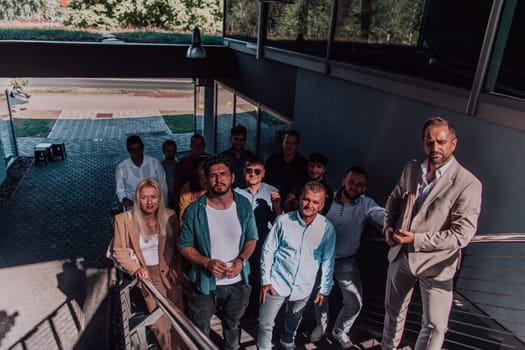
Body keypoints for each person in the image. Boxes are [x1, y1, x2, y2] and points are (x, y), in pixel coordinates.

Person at [381, 116, 482, 350]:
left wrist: (416, 239)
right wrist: (387, 224)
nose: (435, 147)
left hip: (437, 265)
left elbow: (462, 234)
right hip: (401, 255)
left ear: (453, 144)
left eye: (441, 142)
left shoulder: (468, 183)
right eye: (430, 142)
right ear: (423, 143)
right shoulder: (411, 168)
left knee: (435, 326)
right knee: (393, 313)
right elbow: (396, 196)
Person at [179, 154, 258, 350]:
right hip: (205, 284)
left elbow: (252, 238)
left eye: (223, 174)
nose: (219, 179)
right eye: (213, 175)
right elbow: (184, 245)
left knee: (233, 325)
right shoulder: (194, 211)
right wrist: (206, 262)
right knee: (201, 329)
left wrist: (241, 260)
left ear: (232, 177)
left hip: (237, 283)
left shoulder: (244, 205)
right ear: (206, 179)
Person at [310, 167, 384, 348]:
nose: (354, 187)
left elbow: (381, 215)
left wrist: (397, 224)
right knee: (320, 298)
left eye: (359, 185)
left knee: (355, 303)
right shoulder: (326, 200)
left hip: (346, 261)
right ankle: (321, 325)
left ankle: (339, 330)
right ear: (343, 181)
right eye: (351, 182)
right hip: (321, 260)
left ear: (364, 188)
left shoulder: (365, 203)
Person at [257, 181, 336, 350]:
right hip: (276, 281)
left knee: (294, 318)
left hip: (304, 285)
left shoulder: (327, 228)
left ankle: (287, 341)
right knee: (265, 323)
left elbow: (328, 260)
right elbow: (268, 250)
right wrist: (265, 280)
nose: (309, 205)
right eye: (306, 199)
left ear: (322, 205)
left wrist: (325, 288)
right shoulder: (283, 221)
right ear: (300, 199)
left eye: (315, 202)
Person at [112, 178, 185, 350]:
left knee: (179, 322)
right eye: (144, 197)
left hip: (169, 275)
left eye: (154, 197)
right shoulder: (124, 219)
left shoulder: (170, 216)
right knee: (160, 325)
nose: (149, 202)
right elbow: (118, 250)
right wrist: (135, 268)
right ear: (137, 199)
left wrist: (180, 274)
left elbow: (177, 246)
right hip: (147, 277)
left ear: (160, 198)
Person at [234, 156, 282, 316]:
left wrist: (277, 207)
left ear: (263, 174)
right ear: (243, 172)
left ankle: (257, 314)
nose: (252, 174)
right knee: (244, 283)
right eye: (249, 171)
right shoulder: (235, 193)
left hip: (264, 245)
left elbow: (281, 222)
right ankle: (243, 313)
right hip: (243, 246)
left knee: (261, 281)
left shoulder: (272, 192)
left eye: (257, 171)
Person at [115, 135, 168, 210]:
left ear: (143, 148)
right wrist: (124, 199)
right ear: (128, 150)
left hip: (155, 207)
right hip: (134, 207)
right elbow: (120, 190)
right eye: (133, 150)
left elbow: (163, 187)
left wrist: (163, 207)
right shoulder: (121, 168)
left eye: (139, 149)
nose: (136, 152)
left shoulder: (155, 163)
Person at [264, 129, 307, 203]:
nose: (289, 146)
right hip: (268, 199)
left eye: (293, 143)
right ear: (282, 143)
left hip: (289, 203)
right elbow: (265, 180)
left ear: (297, 145)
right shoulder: (272, 159)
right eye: (287, 142)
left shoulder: (303, 164)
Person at [174, 134, 206, 202]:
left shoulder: (210, 160)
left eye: (201, 145)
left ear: (204, 146)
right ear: (191, 146)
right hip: (188, 198)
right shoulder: (183, 164)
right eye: (195, 145)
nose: (198, 147)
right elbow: (178, 187)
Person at [178, 155, 209, 222]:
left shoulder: (215, 185)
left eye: (208, 167)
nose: (206, 170)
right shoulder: (188, 187)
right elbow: (183, 214)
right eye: (202, 168)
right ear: (196, 171)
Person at [161, 139, 178, 209]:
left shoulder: (179, 166)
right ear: (164, 151)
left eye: (172, 151)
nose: (170, 153)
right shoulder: (159, 167)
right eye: (168, 151)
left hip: (176, 200)